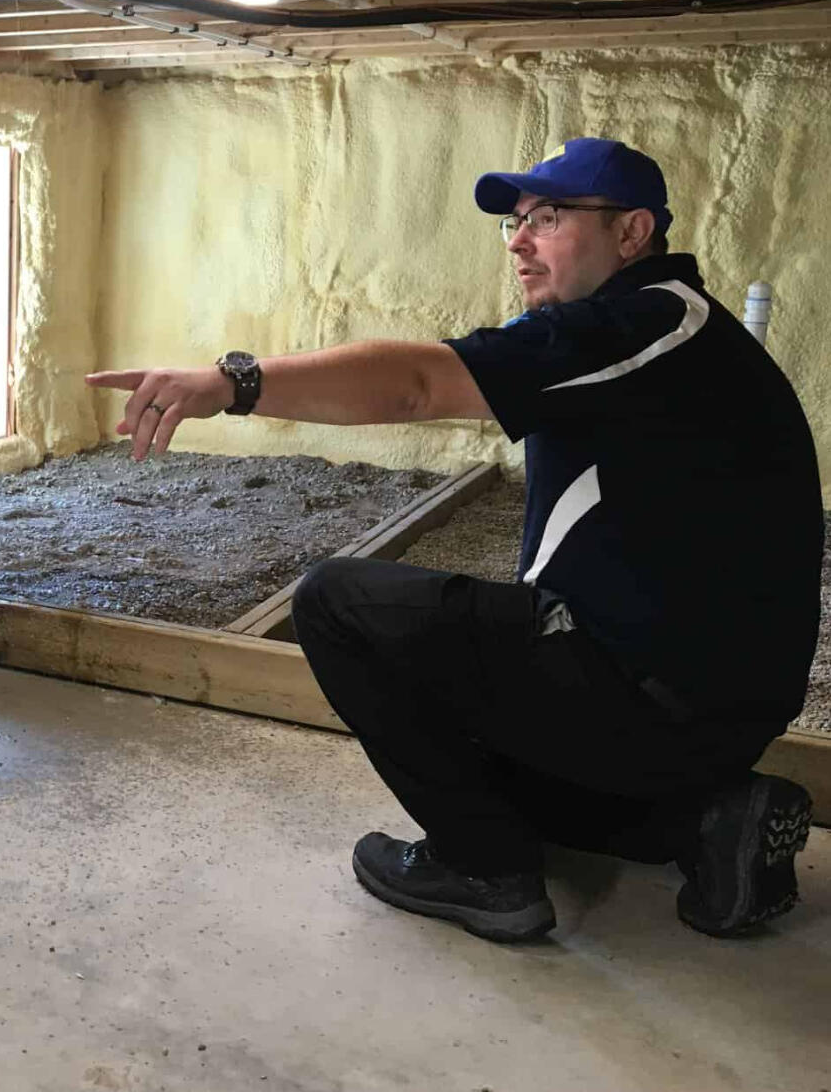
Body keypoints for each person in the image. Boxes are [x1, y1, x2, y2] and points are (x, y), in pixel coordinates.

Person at [87, 138, 819, 941]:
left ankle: (483, 869)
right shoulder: (661, 330)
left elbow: (416, 386)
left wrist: (233, 382)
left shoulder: (646, 325)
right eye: (514, 222)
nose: (519, 241)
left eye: (548, 217)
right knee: (492, 765)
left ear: (632, 231)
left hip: (650, 695)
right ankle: (711, 818)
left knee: (335, 602)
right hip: (700, 708)